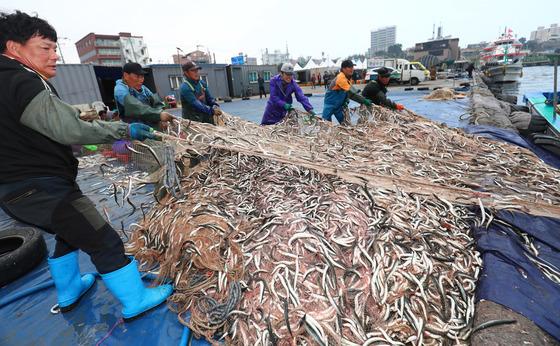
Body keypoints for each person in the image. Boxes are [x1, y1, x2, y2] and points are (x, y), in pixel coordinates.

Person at [0, 11, 173, 319]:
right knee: (101, 236)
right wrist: (123, 129)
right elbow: (69, 129)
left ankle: (69, 291)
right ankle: (135, 300)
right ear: (15, 48)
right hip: (42, 188)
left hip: (16, 193)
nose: (54, 56)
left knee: (68, 233)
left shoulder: (5, 80)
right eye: (46, 48)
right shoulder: (20, 81)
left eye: (55, 48)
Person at [114, 62, 174, 130]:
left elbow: (157, 103)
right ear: (126, 75)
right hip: (134, 131)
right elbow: (134, 106)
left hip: (151, 128)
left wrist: (160, 114)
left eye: (142, 76)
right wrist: (158, 115)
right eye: (137, 76)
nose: (141, 80)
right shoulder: (120, 89)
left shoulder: (144, 88)